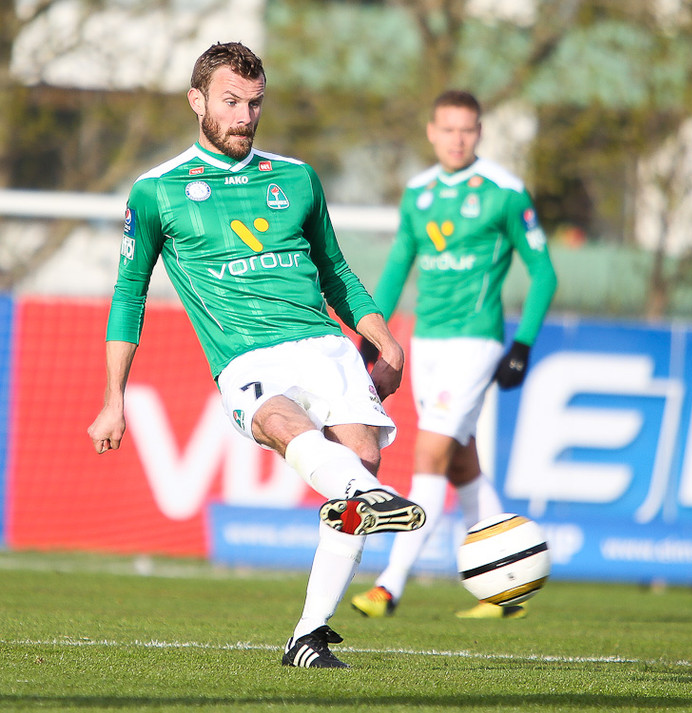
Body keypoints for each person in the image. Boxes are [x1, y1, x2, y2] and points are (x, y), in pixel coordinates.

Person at [87, 41, 426, 669]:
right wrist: (114, 399)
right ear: (197, 101)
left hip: (323, 344)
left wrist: (385, 342)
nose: (244, 116)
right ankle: (365, 494)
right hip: (247, 357)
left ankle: (308, 635)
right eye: (230, 101)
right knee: (282, 422)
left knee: (362, 456)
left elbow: (336, 273)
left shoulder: (297, 178)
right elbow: (129, 294)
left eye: (254, 103)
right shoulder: (157, 191)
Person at [351, 90, 557, 620]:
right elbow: (398, 265)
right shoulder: (417, 193)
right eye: (448, 129)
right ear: (432, 132)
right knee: (462, 463)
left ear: (480, 132)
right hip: (427, 343)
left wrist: (522, 344)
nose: (457, 139)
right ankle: (508, 589)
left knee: (430, 454)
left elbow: (544, 274)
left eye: (467, 129)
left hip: (475, 341)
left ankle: (389, 586)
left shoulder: (505, 192)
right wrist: (372, 331)